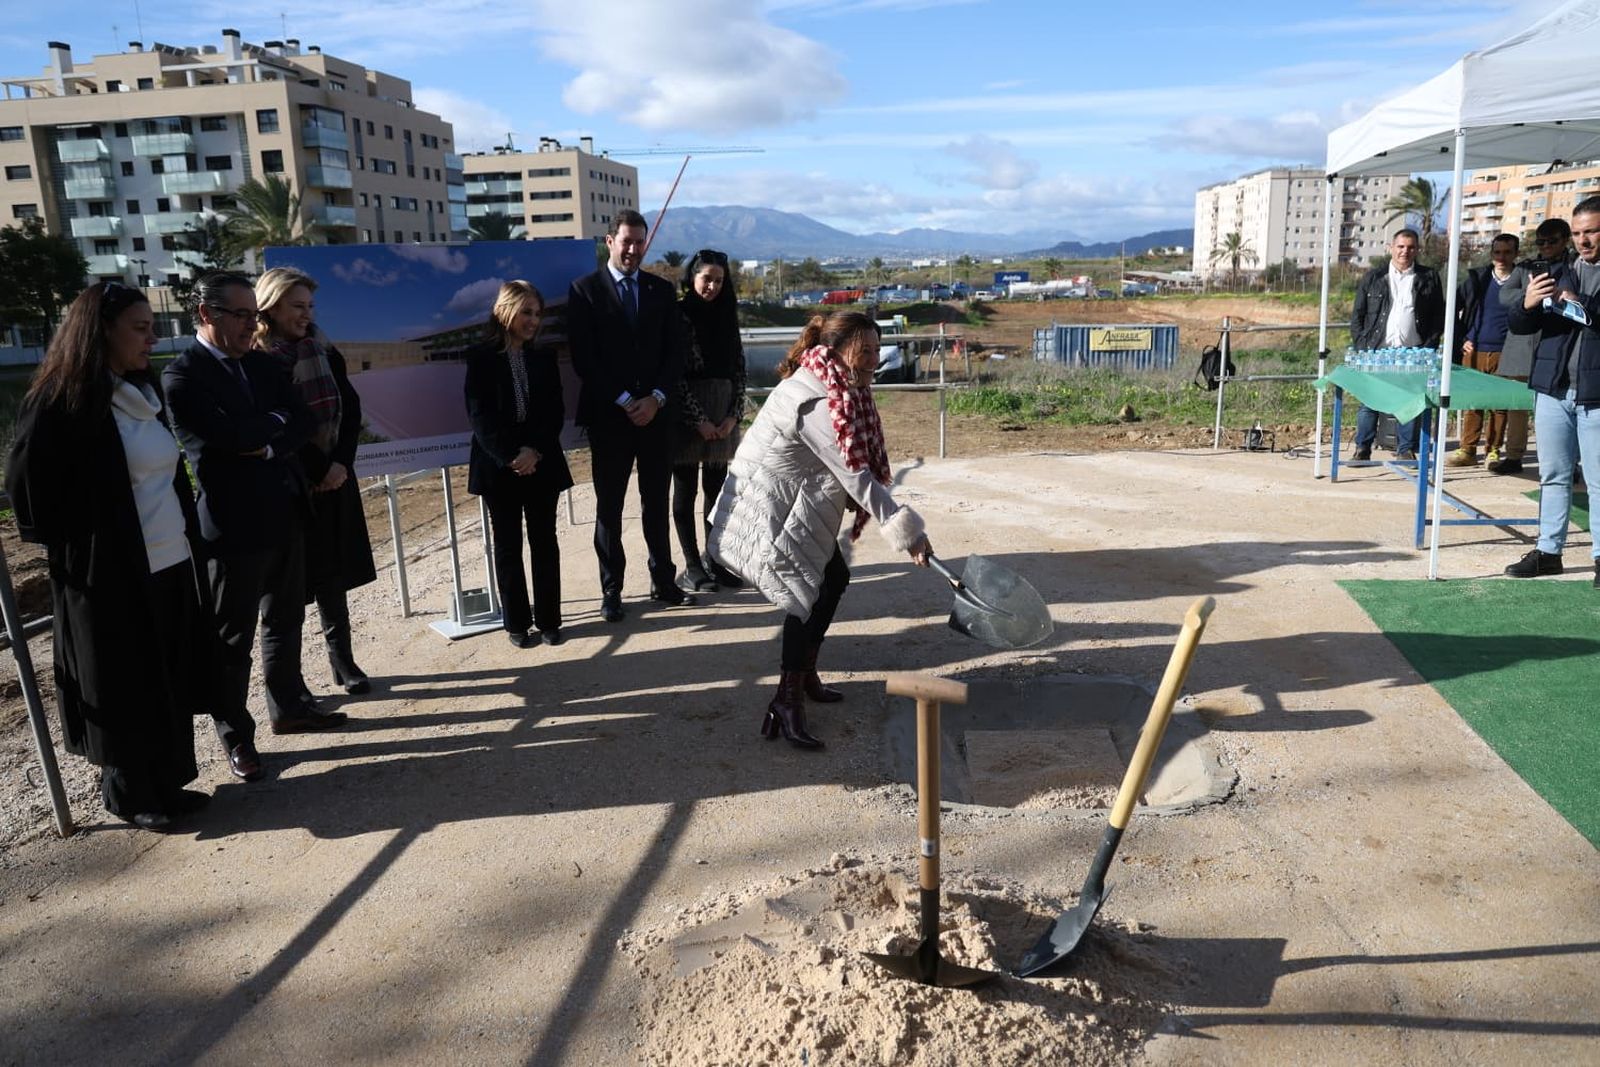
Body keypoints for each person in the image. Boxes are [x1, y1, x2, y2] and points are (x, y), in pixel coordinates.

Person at [5, 283, 215, 830]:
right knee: (125, 681)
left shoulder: (142, 393)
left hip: (167, 561)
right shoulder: (62, 402)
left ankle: (168, 783)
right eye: (140, 329)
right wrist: (90, 536)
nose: (152, 339)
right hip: (110, 574)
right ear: (101, 331)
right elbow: (29, 489)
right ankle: (130, 793)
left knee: (165, 674)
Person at [707, 311, 932, 750]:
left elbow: (850, 468)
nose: (874, 360)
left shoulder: (837, 386)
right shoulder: (812, 399)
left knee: (832, 579)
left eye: (877, 349)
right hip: (769, 511)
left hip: (796, 506)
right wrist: (909, 534)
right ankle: (786, 698)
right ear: (836, 350)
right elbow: (855, 475)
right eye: (865, 351)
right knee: (806, 591)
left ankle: (804, 675)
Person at [163, 271, 344, 786]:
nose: (251, 324)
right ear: (206, 314)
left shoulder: (263, 365)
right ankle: (237, 736)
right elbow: (225, 440)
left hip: (285, 512)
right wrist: (270, 430)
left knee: (285, 619)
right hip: (233, 529)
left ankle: (289, 708)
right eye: (241, 315)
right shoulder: (182, 377)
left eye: (254, 315)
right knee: (233, 638)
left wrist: (264, 438)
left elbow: (301, 422)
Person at [254, 268, 378, 694]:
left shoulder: (324, 348)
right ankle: (292, 688)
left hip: (335, 478)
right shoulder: (257, 360)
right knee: (287, 589)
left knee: (332, 574)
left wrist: (339, 463)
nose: (306, 314)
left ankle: (343, 661)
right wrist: (318, 468)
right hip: (291, 483)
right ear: (271, 307)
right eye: (297, 306)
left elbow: (350, 408)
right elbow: (281, 425)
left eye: (310, 306)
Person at [566, 209, 694, 621]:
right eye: (627, 242)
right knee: (610, 507)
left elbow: (675, 354)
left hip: (657, 417)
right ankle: (612, 590)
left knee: (656, 502)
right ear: (610, 241)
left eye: (640, 242)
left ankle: (663, 580)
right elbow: (585, 359)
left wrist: (656, 398)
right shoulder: (584, 291)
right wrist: (624, 400)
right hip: (609, 418)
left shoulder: (661, 290)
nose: (634, 250)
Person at [464, 281, 575, 647]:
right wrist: (512, 456)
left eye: (537, 313)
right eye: (526, 312)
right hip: (500, 467)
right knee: (508, 545)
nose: (533, 320)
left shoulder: (543, 357)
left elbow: (554, 411)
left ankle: (550, 621)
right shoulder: (480, 357)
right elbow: (479, 416)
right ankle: (516, 623)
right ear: (504, 311)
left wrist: (534, 451)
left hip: (541, 463)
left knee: (545, 542)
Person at [1504, 197, 1600, 586]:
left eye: (1591, 231)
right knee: (1554, 475)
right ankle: (1548, 552)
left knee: (1597, 481)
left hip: (1596, 395)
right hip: (1553, 389)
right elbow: (1519, 325)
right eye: (1577, 233)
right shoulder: (1558, 271)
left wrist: (1581, 303)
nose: (1583, 240)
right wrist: (1527, 304)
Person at [673, 249, 747, 592]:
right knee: (685, 490)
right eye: (706, 279)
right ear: (693, 277)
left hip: (722, 413)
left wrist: (733, 415)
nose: (712, 286)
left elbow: (739, 368)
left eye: (719, 280)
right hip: (686, 416)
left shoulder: (728, 313)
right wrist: (697, 420)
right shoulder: (678, 314)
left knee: (716, 493)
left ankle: (714, 560)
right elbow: (673, 374)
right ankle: (692, 565)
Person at [1350, 229, 1445, 461]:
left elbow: (1438, 315)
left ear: (1417, 249)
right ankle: (1362, 448)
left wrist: (1430, 344)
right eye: (1401, 246)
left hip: (1413, 354)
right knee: (1369, 402)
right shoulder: (1374, 277)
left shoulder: (1429, 277)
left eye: (1410, 247)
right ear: (1391, 248)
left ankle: (1405, 450)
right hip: (1376, 352)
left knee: (1409, 402)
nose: (1405, 251)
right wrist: (1362, 345)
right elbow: (1358, 314)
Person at [1493, 218, 1574, 475]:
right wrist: (1532, 294)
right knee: (1518, 406)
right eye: (1541, 242)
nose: (1546, 246)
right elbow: (1504, 295)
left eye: (1552, 241)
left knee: (1563, 409)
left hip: (1559, 346)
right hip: (1522, 348)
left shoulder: (1575, 266)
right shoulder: (1525, 268)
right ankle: (1514, 456)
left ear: (1565, 240)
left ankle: (1569, 463)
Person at [1446, 233, 1519, 468]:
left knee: (1499, 405)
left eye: (1507, 252)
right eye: (1497, 252)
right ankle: (1467, 450)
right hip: (1475, 350)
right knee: (1473, 402)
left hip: (1506, 353)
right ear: (1491, 253)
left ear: (1516, 254)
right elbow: (1452, 308)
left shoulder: (1523, 280)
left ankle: (1493, 451)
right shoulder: (1478, 279)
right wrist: (1461, 338)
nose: (1501, 257)